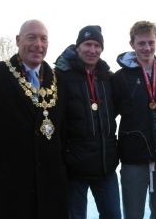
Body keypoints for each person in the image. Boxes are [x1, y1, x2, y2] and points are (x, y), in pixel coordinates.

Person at [0, 20, 68, 219]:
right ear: (18, 41)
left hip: (51, 189)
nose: (38, 44)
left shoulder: (60, 80)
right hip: (10, 187)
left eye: (43, 39)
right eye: (31, 37)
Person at [111, 20, 156, 219]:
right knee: (133, 214)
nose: (147, 47)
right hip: (134, 156)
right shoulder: (120, 78)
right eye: (141, 43)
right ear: (132, 44)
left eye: (151, 42)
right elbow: (109, 116)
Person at [54, 25, 121, 219]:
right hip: (75, 168)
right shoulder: (61, 77)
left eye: (97, 45)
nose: (92, 50)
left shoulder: (108, 77)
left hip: (105, 166)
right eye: (87, 44)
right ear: (78, 47)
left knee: (113, 215)